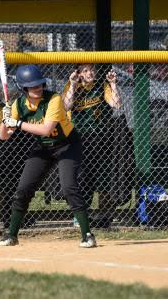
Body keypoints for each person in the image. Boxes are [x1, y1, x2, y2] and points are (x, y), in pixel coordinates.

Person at [0, 64, 96, 248]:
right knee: (23, 190)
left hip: (67, 145)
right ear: (23, 88)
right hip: (43, 148)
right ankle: (11, 235)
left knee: (69, 188)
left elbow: (46, 129)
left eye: (40, 84)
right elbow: (4, 136)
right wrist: (5, 119)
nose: (38, 88)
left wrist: (17, 123)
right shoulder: (18, 104)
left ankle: (87, 234)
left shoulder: (54, 99)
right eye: (32, 86)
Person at [61, 64, 121, 228]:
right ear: (79, 74)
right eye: (85, 70)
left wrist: (113, 84)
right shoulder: (72, 85)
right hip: (77, 137)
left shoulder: (102, 86)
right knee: (80, 176)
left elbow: (116, 104)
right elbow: (66, 106)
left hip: (98, 138)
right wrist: (73, 85)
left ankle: (92, 214)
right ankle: (79, 214)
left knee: (94, 176)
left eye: (92, 70)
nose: (90, 73)